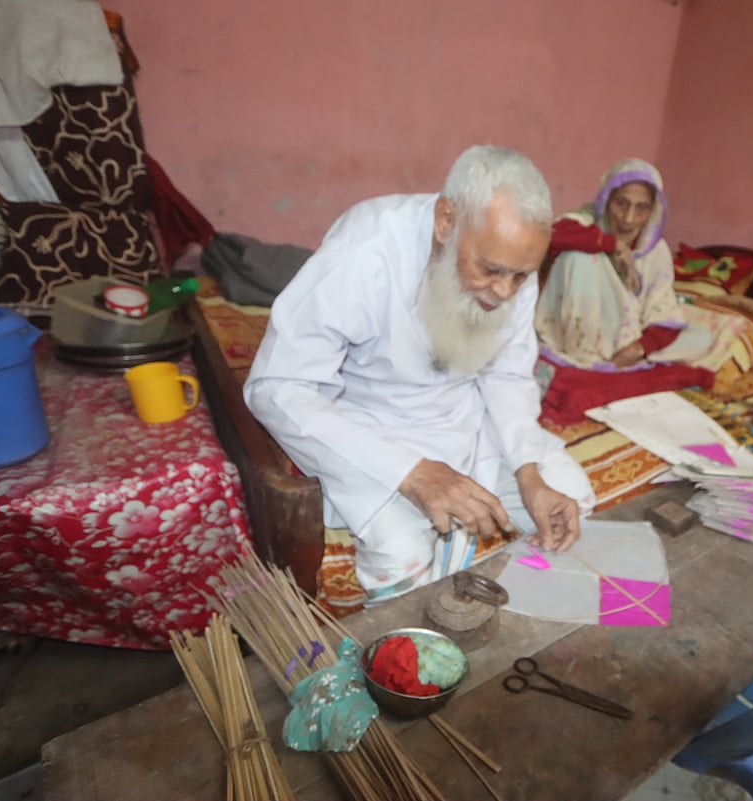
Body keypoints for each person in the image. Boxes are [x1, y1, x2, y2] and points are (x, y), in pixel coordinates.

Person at [244, 145, 595, 601]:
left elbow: (507, 377)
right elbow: (277, 387)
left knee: (569, 500)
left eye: (521, 277)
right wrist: (413, 473)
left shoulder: (511, 265)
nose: (505, 292)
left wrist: (528, 473)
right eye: (491, 270)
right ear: (446, 221)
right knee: (402, 556)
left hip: (468, 421)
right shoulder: (368, 250)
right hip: (375, 431)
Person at [535, 157, 742, 371]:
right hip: (574, 331)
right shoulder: (586, 221)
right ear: (606, 198)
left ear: (653, 210)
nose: (629, 218)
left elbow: (661, 308)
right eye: (621, 203)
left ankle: (613, 359)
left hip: (625, 334)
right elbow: (552, 235)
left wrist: (638, 348)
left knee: (702, 338)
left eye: (641, 208)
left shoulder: (656, 250)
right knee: (578, 255)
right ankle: (585, 358)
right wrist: (612, 244)